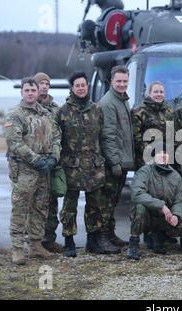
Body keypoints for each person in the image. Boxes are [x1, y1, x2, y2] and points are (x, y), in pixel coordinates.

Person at [57, 71, 120, 257]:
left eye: (83, 85)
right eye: (77, 85)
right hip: (72, 168)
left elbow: (103, 136)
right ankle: (69, 241)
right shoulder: (63, 112)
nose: (81, 88)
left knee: (95, 206)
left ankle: (94, 241)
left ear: (87, 87)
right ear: (72, 88)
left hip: (94, 167)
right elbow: (57, 140)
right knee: (70, 207)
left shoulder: (96, 109)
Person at [3, 77, 61, 265]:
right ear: (22, 92)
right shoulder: (15, 114)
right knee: (20, 208)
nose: (30, 93)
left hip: (45, 168)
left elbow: (56, 137)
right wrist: (36, 160)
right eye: (26, 90)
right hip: (24, 170)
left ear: (38, 92)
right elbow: (14, 143)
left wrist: (54, 157)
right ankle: (18, 248)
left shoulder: (45, 114)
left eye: (33, 90)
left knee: (40, 208)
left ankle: (36, 245)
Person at [127, 142, 182, 260]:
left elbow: (179, 201)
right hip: (148, 217)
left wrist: (176, 215)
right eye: (159, 153)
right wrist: (161, 206)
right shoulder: (145, 171)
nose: (163, 155)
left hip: (165, 218)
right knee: (139, 208)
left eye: (166, 153)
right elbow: (137, 194)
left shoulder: (175, 176)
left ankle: (159, 236)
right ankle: (133, 244)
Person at [99, 65, 135, 248]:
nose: (122, 84)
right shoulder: (109, 103)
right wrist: (114, 162)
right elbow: (108, 136)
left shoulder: (122, 100)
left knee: (113, 201)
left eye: (125, 81)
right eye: (118, 81)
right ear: (112, 81)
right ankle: (102, 238)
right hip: (114, 162)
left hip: (123, 161)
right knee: (106, 202)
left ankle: (110, 234)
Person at [33, 72, 63, 253]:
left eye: (47, 83)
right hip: (33, 164)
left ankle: (49, 239)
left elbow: (59, 135)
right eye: (41, 83)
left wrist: (55, 157)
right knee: (34, 204)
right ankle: (34, 242)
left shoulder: (56, 109)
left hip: (52, 163)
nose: (44, 86)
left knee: (52, 203)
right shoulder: (28, 107)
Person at [131, 81, 174, 169]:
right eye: (156, 92)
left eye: (161, 92)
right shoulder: (139, 111)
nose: (159, 94)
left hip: (165, 157)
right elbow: (136, 137)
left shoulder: (168, 111)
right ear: (149, 93)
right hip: (146, 159)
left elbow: (172, 133)